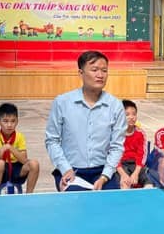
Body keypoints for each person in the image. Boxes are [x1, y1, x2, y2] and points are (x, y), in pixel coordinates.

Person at [45, 50, 125, 191]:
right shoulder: (62, 102)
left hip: (103, 171)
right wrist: (65, 168)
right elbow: (52, 140)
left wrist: (105, 176)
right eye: (94, 70)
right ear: (81, 73)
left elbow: (117, 147)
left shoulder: (116, 105)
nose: (100, 75)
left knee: (111, 201)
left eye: (104, 71)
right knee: (76, 199)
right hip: (71, 170)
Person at [0, 102, 39, 194]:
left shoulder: (20, 137)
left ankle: (29, 196)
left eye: (13, 121)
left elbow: (24, 160)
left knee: (34, 164)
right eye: (5, 121)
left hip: (15, 168)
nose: (9, 125)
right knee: (1, 163)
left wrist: (9, 147)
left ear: (17, 121)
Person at [116, 100, 148, 189]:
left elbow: (141, 155)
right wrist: (123, 174)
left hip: (136, 165)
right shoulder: (115, 134)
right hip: (120, 165)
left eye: (134, 114)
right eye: (127, 115)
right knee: (125, 184)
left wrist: (136, 173)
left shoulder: (141, 133)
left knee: (149, 183)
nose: (131, 117)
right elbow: (113, 156)